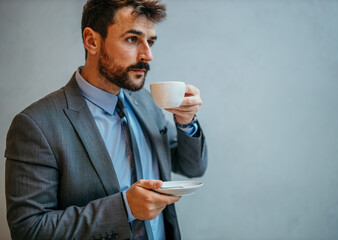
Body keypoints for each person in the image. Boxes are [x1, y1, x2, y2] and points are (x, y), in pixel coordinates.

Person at [4, 0, 207, 239]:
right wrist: (124, 208)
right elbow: (28, 230)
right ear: (92, 41)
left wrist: (186, 122)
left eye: (150, 42)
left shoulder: (147, 103)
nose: (148, 55)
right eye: (133, 39)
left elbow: (193, 167)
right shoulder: (35, 125)